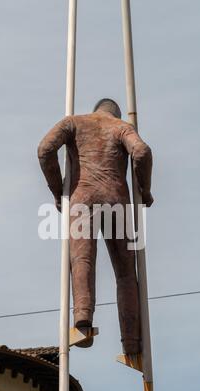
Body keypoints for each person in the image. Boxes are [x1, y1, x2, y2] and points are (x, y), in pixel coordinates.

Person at [38, 98, 153, 354]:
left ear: (95, 111)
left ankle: (82, 317)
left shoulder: (74, 123)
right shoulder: (121, 127)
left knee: (82, 261)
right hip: (117, 201)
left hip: (83, 199)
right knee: (125, 274)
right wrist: (145, 191)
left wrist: (59, 192)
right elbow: (142, 152)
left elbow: (45, 149)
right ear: (115, 113)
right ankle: (131, 341)